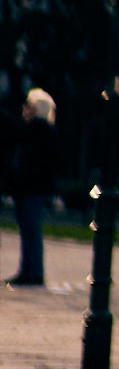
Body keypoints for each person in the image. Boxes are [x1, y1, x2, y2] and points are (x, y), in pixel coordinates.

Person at [9, 90, 56, 286]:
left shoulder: (37, 132)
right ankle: (29, 269)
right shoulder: (39, 131)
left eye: (28, 106)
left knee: (30, 229)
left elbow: (32, 163)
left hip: (31, 189)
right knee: (29, 229)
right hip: (32, 188)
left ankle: (33, 271)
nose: (24, 109)